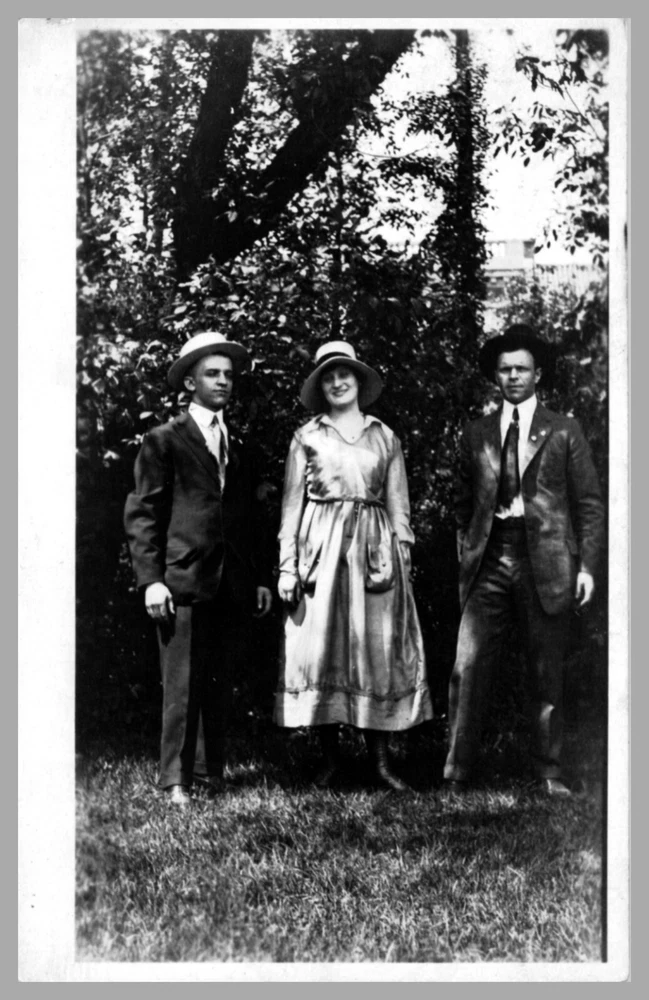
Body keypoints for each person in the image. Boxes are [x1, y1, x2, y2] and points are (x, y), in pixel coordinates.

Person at [443, 324, 605, 797]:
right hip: (490, 558)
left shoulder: (564, 429)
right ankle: (455, 773)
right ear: (495, 376)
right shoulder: (476, 432)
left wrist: (587, 567)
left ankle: (549, 773)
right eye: (505, 369)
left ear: (538, 375)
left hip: (547, 563)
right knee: (468, 665)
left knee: (546, 668)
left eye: (522, 368)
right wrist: (467, 549)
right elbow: (461, 503)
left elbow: (590, 504)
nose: (513, 376)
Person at [275, 341, 433, 792]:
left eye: (344, 374)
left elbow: (399, 505)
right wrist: (287, 566)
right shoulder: (307, 437)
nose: (337, 382)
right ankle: (330, 761)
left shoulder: (384, 436)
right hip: (321, 553)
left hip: (374, 555)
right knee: (322, 650)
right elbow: (291, 506)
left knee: (375, 652)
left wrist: (402, 553)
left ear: (359, 380)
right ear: (320, 386)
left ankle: (380, 761)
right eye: (328, 376)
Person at [124, 332, 272, 807]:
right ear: (190, 382)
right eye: (212, 374)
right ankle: (176, 780)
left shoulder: (237, 443)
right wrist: (151, 581)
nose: (223, 381)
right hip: (182, 577)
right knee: (182, 681)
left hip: (229, 579)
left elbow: (247, 518)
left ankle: (209, 771)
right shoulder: (164, 439)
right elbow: (143, 514)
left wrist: (259, 578)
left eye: (228, 375)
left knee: (217, 678)